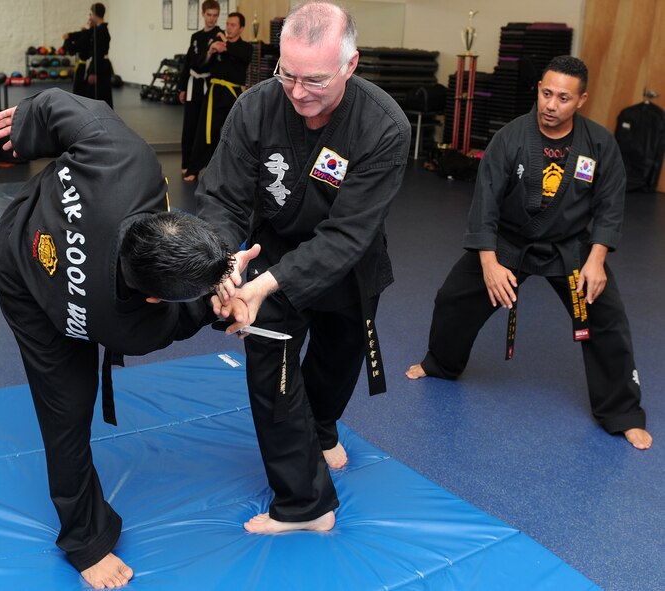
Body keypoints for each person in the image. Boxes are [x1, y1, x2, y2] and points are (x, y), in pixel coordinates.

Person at [0, 88, 258, 589]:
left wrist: (26, 121)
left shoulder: (124, 159)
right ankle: (84, 541)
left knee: (70, 410)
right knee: (66, 411)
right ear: (156, 299)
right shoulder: (135, 328)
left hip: (31, 236)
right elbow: (197, 312)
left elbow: (55, 106)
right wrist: (229, 299)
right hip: (23, 281)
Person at [199, 1, 410, 534]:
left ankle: (320, 428)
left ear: (351, 64)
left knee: (337, 363)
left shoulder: (384, 126)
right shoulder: (255, 108)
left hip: (348, 261)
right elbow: (223, 200)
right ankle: (305, 504)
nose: (297, 92)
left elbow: (346, 234)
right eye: (287, 74)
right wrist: (228, 264)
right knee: (271, 369)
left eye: (314, 79)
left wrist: (267, 284)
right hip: (270, 248)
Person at [406, 56, 652, 451]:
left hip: (571, 248)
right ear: (538, 88)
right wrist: (488, 263)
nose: (551, 105)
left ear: (582, 100)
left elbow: (610, 204)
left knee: (605, 317)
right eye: (546, 93)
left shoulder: (599, 143)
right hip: (509, 242)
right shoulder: (510, 137)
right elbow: (485, 203)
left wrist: (596, 258)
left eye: (564, 98)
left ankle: (621, 412)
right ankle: (441, 364)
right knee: (454, 298)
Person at [184, 11, 251, 180]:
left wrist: (226, 44)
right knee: (205, 132)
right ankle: (194, 169)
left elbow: (242, 56)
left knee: (235, 133)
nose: (229, 27)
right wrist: (210, 51)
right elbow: (199, 65)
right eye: (227, 24)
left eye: (233, 25)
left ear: (241, 28)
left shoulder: (244, 47)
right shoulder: (217, 45)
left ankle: (234, 171)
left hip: (234, 95)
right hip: (214, 94)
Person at [178, 0, 223, 181]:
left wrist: (210, 52)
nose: (211, 19)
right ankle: (185, 162)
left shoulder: (219, 35)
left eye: (215, 15)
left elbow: (206, 63)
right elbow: (190, 62)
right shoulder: (195, 36)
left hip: (207, 85)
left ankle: (199, 164)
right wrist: (181, 87)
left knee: (201, 128)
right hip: (192, 84)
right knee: (188, 125)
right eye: (209, 15)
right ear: (202, 14)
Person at [63, 3, 113, 108]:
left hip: (101, 67)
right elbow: (84, 34)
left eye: (91, 15)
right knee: (96, 95)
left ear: (94, 14)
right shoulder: (98, 30)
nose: (90, 17)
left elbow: (98, 53)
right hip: (100, 65)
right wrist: (70, 35)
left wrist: (93, 72)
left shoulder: (101, 31)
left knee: (101, 95)